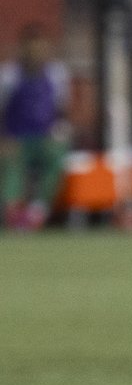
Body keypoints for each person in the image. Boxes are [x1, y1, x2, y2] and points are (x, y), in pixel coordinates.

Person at [1, 24, 71, 232]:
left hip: (44, 137)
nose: (36, 53)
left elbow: (61, 110)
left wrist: (58, 133)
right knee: (12, 166)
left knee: (58, 158)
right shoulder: (9, 75)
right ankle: (13, 214)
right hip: (17, 138)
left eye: (40, 48)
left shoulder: (56, 74)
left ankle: (36, 212)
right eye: (31, 48)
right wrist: (4, 138)